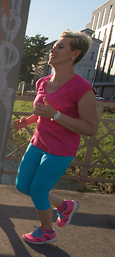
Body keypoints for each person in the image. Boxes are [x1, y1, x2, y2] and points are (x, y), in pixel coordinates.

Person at [13, 30, 98, 244]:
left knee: (39, 191)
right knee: (23, 186)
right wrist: (26, 122)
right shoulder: (43, 81)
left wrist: (56, 115)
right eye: (54, 46)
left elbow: (90, 128)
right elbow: (42, 110)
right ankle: (65, 206)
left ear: (74, 54)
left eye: (60, 46)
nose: (53, 49)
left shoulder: (82, 88)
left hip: (60, 150)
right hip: (38, 143)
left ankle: (47, 232)